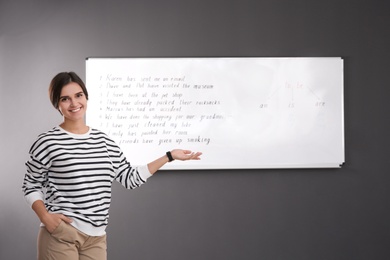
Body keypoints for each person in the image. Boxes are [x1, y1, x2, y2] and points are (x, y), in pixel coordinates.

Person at [22, 71, 202, 260]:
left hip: (96, 238)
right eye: (65, 99)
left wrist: (169, 156)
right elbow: (31, 185)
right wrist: (45, 217)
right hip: (61, 234)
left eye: (78, 95)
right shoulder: (48, 142)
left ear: (86, 97)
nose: (74, 104)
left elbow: (129, 178)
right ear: (57, 104)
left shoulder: (104, 141)